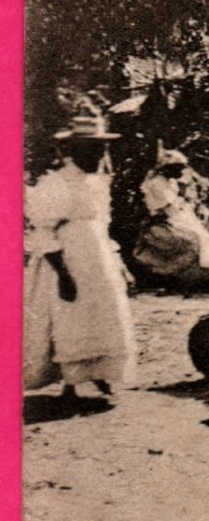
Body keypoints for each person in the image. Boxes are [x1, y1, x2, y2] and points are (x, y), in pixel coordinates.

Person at [24, 110, 138, 403]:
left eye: (102, 147)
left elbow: (102, 227)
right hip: (69, 260)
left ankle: (100, 373)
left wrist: (119, 264)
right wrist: (63, 274)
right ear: (74, 150)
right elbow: (45, 232)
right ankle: (71, 383)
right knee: (71, 318)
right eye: (93, 147)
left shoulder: (96, 183)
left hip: (98, 259)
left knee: (103, 314)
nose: (100, 153)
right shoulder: (55, 184)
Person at [133, 147, 209, 287]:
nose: (180, 172)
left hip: (178, 215)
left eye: (181, 168)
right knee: (196, 238)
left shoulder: (171, 182)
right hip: (164, 219)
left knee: (205, 237)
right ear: (166, 168)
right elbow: (168, 208)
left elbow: (179, 204)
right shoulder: (157, 183)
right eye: (177, 168)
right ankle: (195, 275)